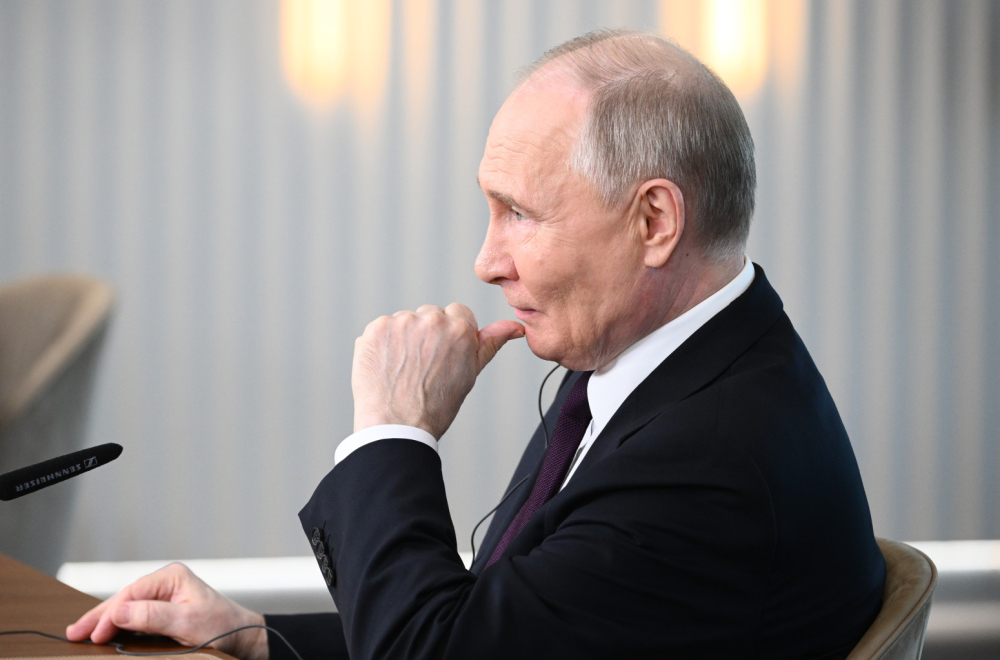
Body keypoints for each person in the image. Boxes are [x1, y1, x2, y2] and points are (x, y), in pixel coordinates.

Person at [67, 29, 885, 660]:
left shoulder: (705, 467)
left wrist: (393, 430)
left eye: (519, 213)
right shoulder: (672, 367)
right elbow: (506, 631)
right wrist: (252, 634)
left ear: (653, 221)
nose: (486, 261)